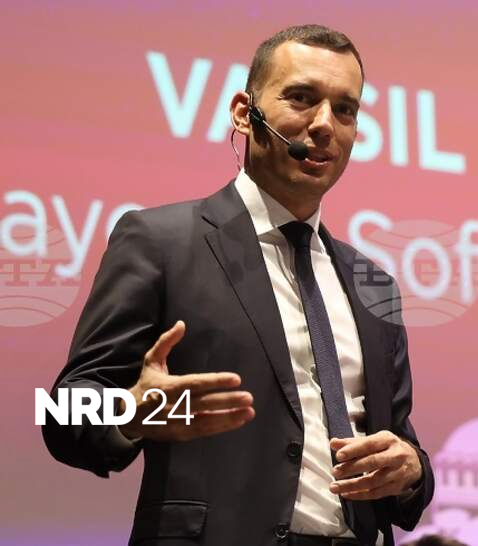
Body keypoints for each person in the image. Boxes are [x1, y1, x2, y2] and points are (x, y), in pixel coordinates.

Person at [42, 24, 434, 546]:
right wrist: (130, 411)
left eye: (345, 109)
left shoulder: (373, 285)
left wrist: (411, 471)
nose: (324, 125)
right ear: (245, 114)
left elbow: (402, 447)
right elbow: (63, 410)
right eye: (301, 98)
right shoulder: (160, 241)